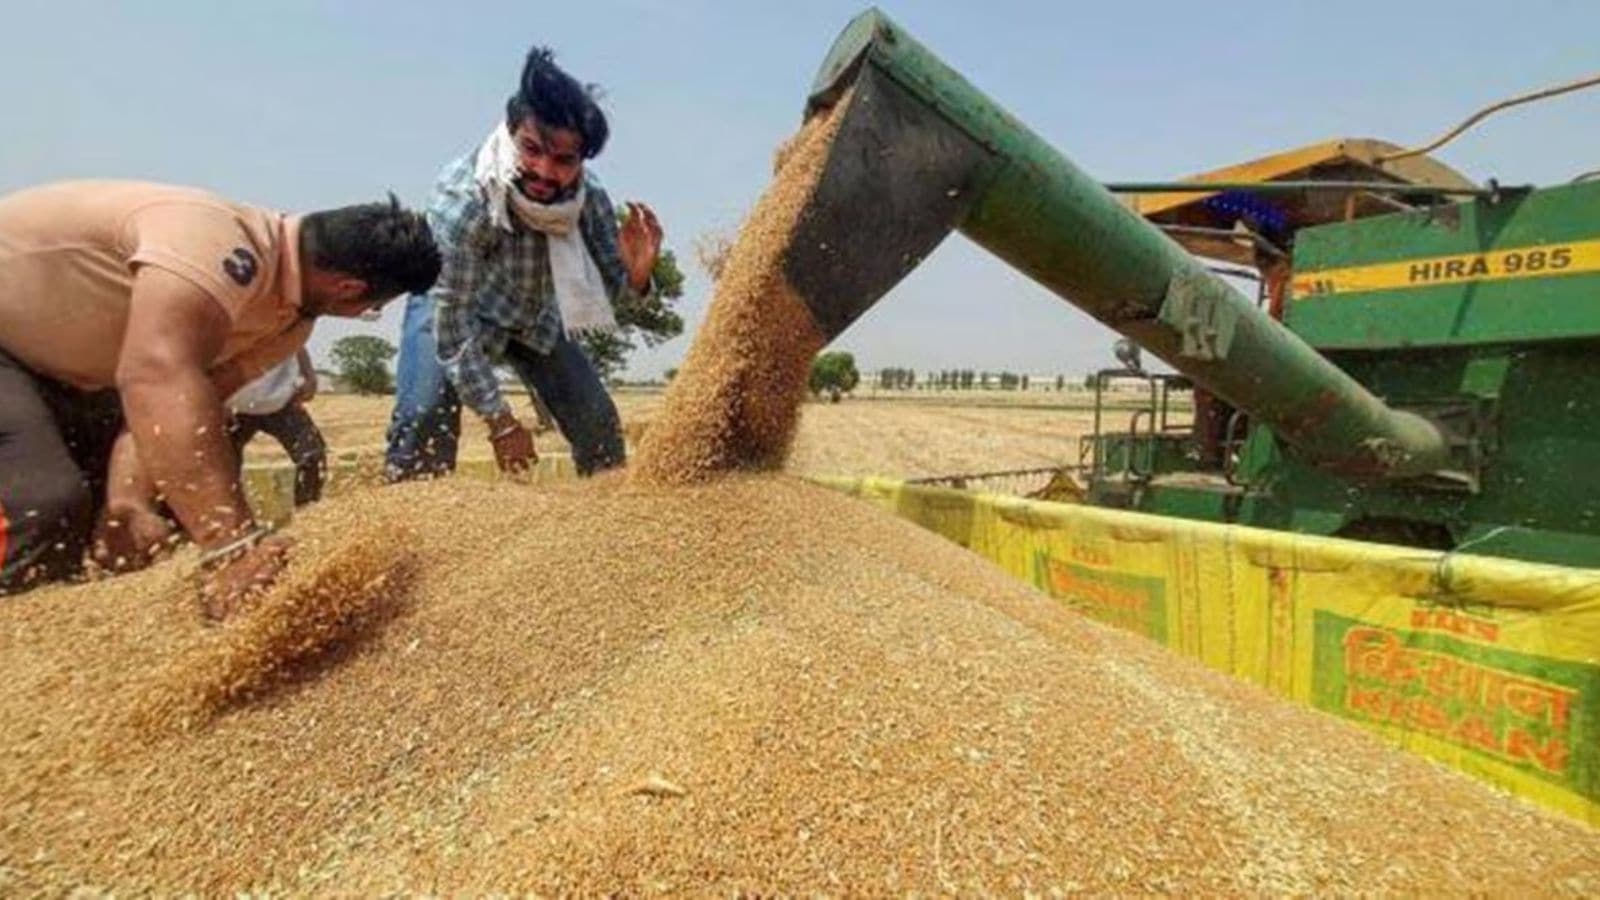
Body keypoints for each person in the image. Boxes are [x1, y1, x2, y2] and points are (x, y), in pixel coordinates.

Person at [0, 181, 440, 614]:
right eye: (371, 309)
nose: (364, 315)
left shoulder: (289, 324)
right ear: (348, 289)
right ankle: (23, 651)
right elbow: (157, 376)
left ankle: (68, 648)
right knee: (47, 504)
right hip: (12, 349)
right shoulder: (213, 243)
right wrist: (233, 546)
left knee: (147, 518)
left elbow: (188, 406)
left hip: (81, 378)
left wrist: (127, 500)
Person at [384, 46, 663, 480]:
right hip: (457, 310)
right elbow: (452, 326)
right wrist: (501, 421)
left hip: (532, 317)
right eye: (531, 149)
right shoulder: (464, 201)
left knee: (599, 424)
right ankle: (404, 531)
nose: (544, 171)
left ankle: (609, 532)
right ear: (511, 132)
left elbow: (619, 294)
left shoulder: (589, 199)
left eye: (564, 160)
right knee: (422, 420)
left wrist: (639, 276)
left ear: (582, 160)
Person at [228, 349, 327, 507]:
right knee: (223, 466)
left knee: (312, 454)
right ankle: (227, 519)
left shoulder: (285, 325)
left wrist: (309, 375)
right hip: (235, 403)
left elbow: (297, 343)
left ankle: (307, 512)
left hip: (282, 400)